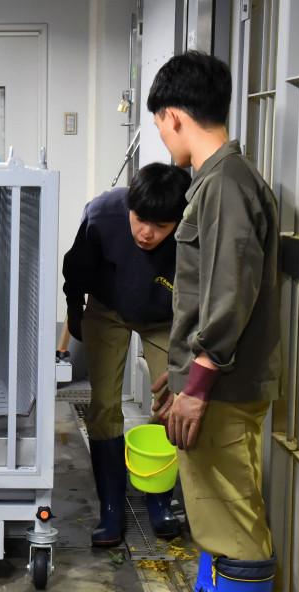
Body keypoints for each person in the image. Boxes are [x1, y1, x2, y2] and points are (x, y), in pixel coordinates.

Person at [140, 51, 282, 592]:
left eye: (158, 124)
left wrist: (195, 387)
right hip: (207, 381)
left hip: (222, 387)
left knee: (231, 514)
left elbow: (228, 297)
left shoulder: (225, 183)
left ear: (174, 116)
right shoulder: (215, 180)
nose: (161, 136)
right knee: (209, 509)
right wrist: (177, 376)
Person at [62, 162, 192, 547]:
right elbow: (76, 268)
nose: (147, 233)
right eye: (140, 220)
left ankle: (159, 499)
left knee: (170, 401)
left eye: (161, 226)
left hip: (165, 317)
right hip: (108, 308)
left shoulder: (195, 225)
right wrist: (75, 310)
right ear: (129, 207)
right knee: (103, 404)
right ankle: (112, 508)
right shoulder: (102, 214)